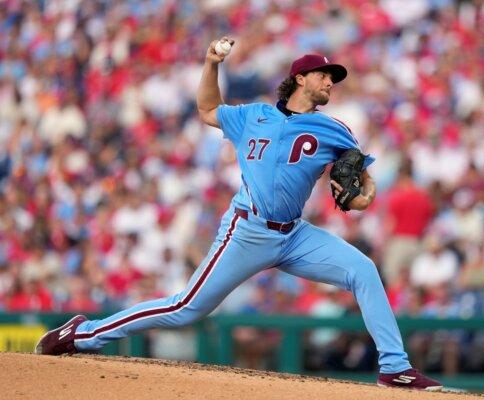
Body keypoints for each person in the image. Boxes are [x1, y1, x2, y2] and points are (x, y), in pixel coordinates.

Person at [35, 37, 442, 391]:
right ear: (300, 78)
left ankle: (395, 368)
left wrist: (364, 198)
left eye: (332, 78)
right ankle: (82, 334)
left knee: (363, 270)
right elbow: (208, 109)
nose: (329, 82)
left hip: (295, 236)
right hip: (246, 230)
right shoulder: (253, 115)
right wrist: (212, 64)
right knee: (184, 309)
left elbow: (362, 187)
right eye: (323, 75)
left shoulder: (335, 129)